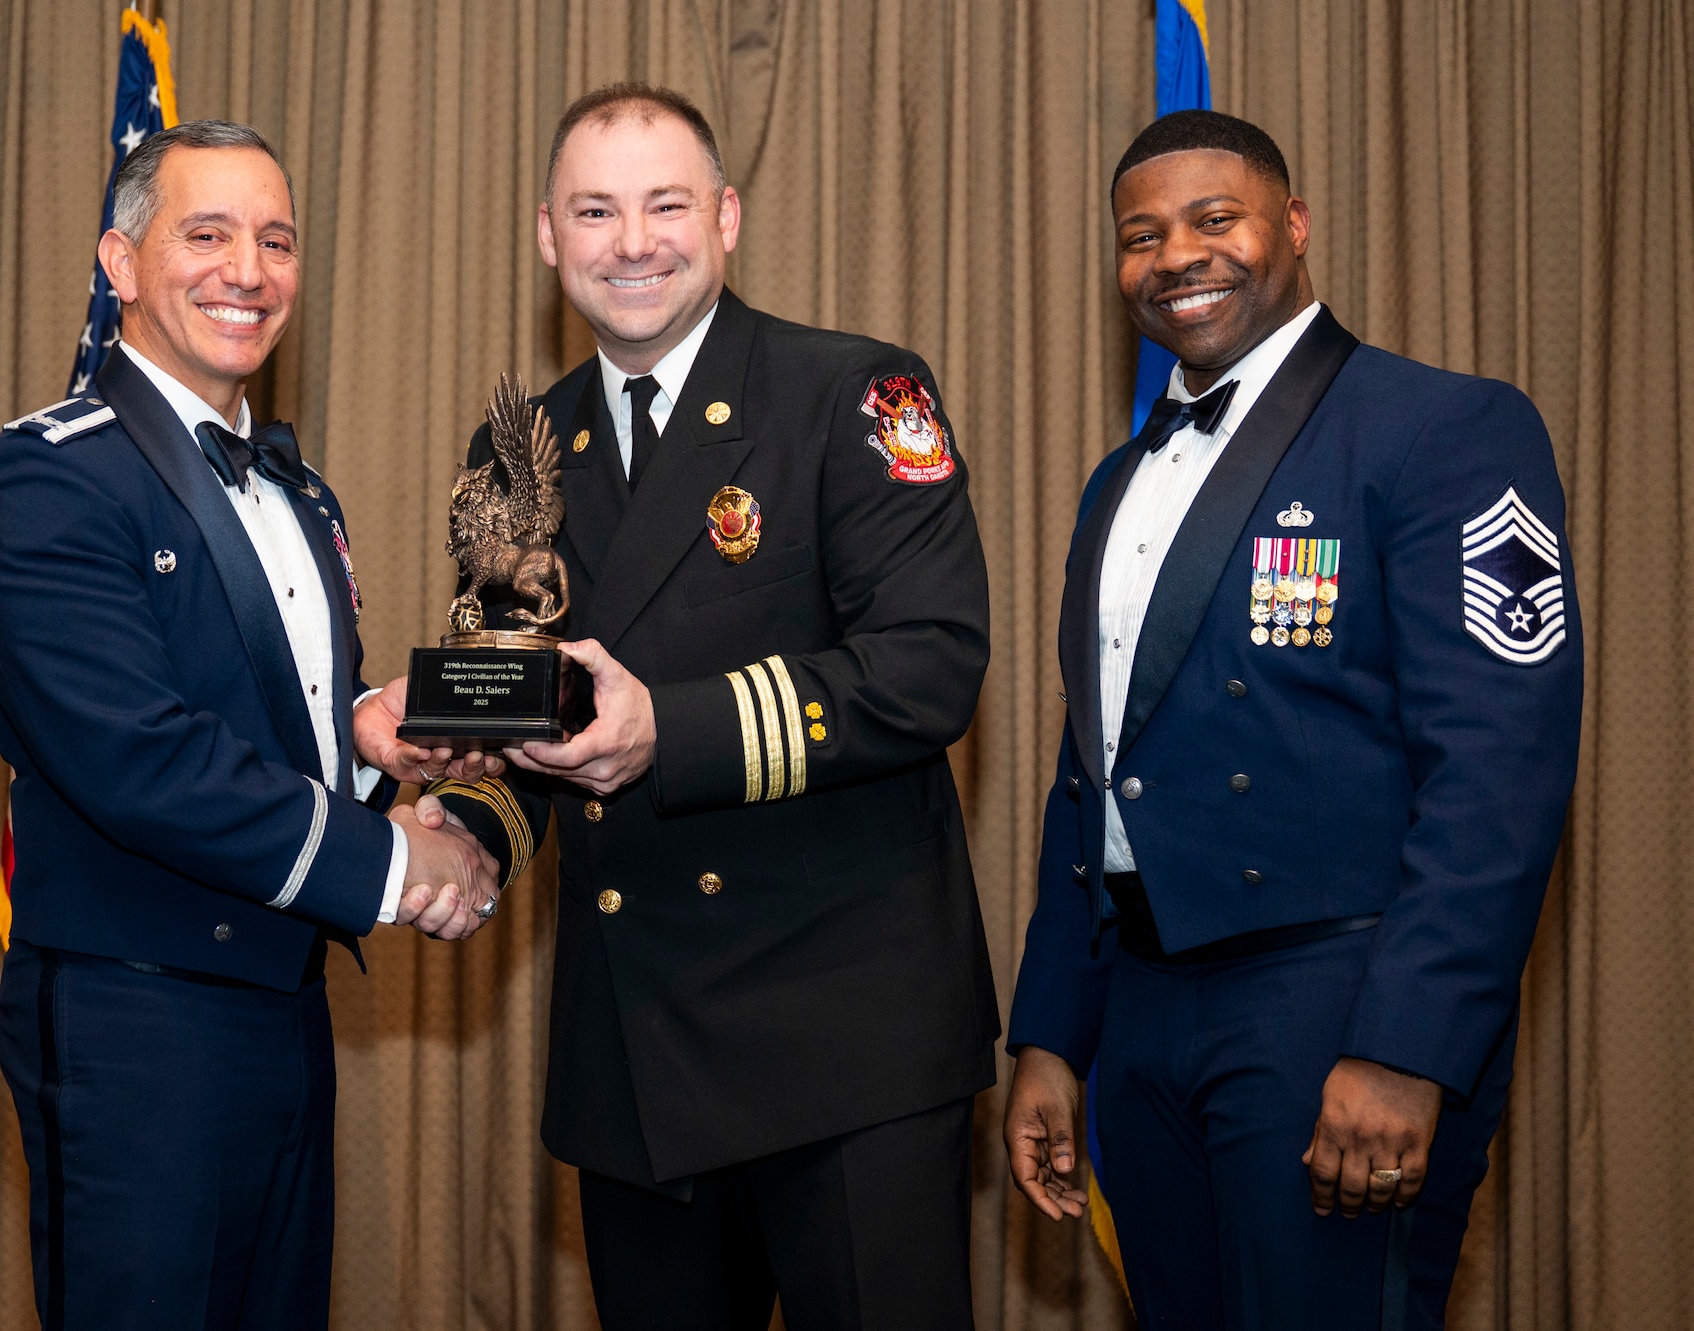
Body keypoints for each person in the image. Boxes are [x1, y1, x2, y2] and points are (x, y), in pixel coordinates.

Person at [420, 84, 998, 1328]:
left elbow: (930, 666)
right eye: (594, 210)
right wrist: (466, 830)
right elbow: (529, 722)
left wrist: (665, 732)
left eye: (664, 203)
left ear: (725, 216)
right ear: (545, 235)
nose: (632, 241)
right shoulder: (515, 451)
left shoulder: (850, 393)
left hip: (847, 1037)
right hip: (637, 1049)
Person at [1001, 110, 1583, 1329]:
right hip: (1146, 1008)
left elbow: (1496, 772)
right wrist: (1053, 1032)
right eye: (1140, 236)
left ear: (1292, 225)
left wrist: (1406, 1047)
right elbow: (1093, 766)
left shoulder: (1443, 428)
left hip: (1332, 1001)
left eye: (1213, 219)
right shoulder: (1119, 478)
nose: (1175, 256)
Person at [0, 120, 501, 1329]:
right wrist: (402, 862)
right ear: (120, 259)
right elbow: (140, 757)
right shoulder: (45, 477)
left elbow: (265, 724)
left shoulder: (300, 493)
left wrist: (372, 745)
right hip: (131, 1020)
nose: (246, 271)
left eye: (276, 240)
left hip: (286, 1010)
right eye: (205, 234)